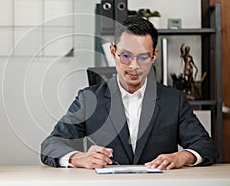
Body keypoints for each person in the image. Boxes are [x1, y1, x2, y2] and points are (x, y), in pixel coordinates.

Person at [40, 16, 218, 170]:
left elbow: (206, 147)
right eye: (126, 56)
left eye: (143, 57)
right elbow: (50, 145)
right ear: (113, 52)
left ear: (154, 56)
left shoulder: (174, 100)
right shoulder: (89, 99)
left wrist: (181, 157)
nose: (134, 66)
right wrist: (78, 158)